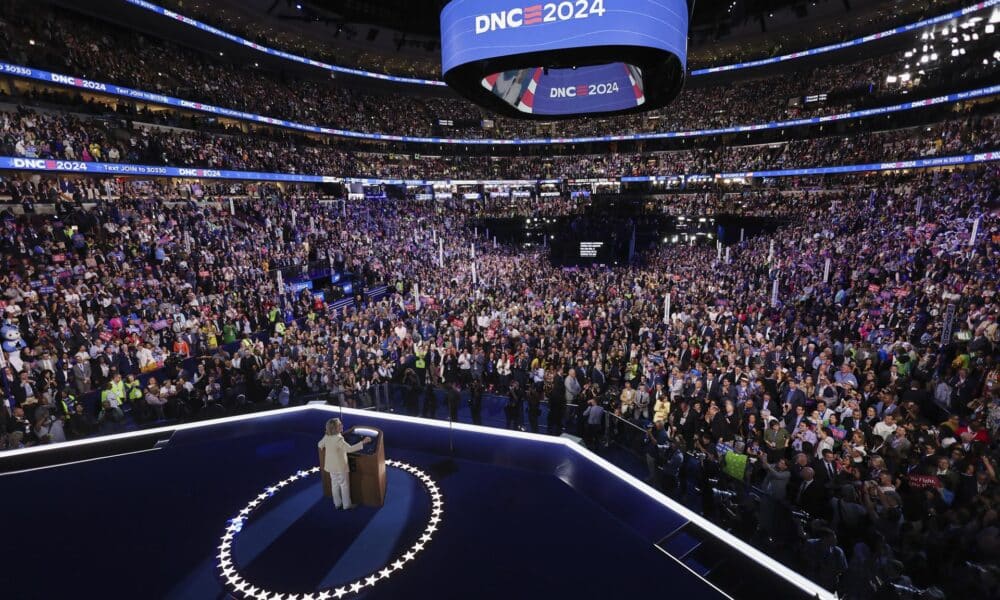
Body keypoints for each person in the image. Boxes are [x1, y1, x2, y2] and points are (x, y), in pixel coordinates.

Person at [318, 418, 371, 510]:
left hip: (331, 467)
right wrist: (363, 442)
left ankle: (337, 504)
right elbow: (349, 449)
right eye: (340, 425)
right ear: (334, 428)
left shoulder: (327, 436)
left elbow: (319, 445)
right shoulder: (339, 439)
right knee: (344, 485)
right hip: (340, 467)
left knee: (334, 484)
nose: (342, 426)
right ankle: (347, 505)